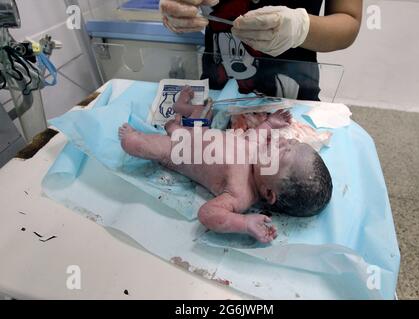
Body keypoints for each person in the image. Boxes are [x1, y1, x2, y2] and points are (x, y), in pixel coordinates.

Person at [118, 87, 333, 243]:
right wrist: (269, 124)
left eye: (284, 151)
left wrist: (244, 224)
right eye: (291, 142)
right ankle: (174, 126)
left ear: (269, 193)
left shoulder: (241, 194)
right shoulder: (257, 155)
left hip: (176, 151)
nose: (283, 140)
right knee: (181, 123)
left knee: (137, 144)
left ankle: (139, 139)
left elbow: (207, 214)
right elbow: (255, 136)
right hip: (197, 134)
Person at [160, 0, 362, 100]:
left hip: (292, 97)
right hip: (216, 93)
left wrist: (301, 27)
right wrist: (177, 7)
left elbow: (348, 20)